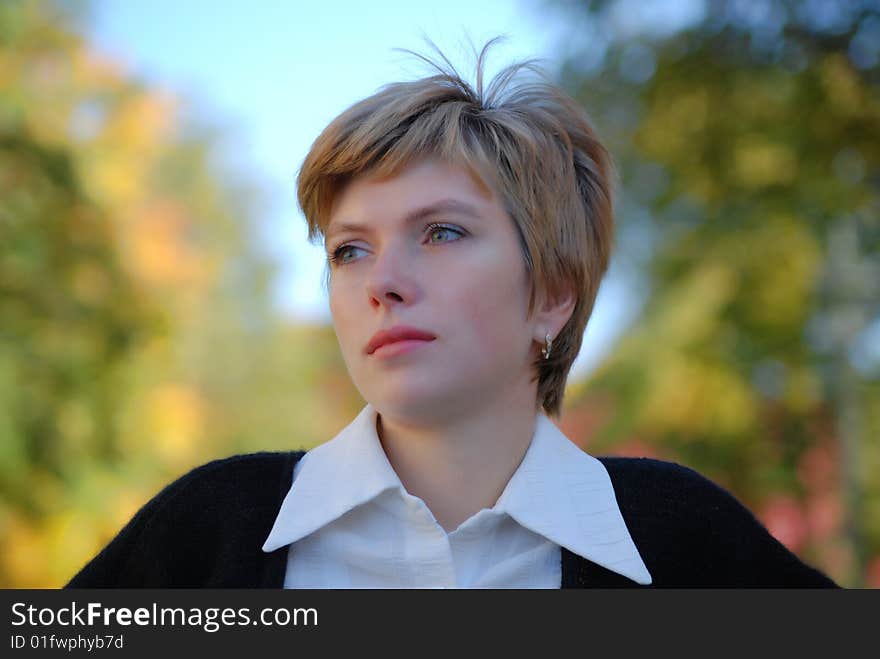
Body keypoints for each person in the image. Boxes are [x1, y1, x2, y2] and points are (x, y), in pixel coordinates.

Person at [66, 40, 837, 588]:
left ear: (553, 294)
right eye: (349, 250)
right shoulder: (207, 534)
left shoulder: (688, 544)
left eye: (441, 232)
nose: (384, 282)